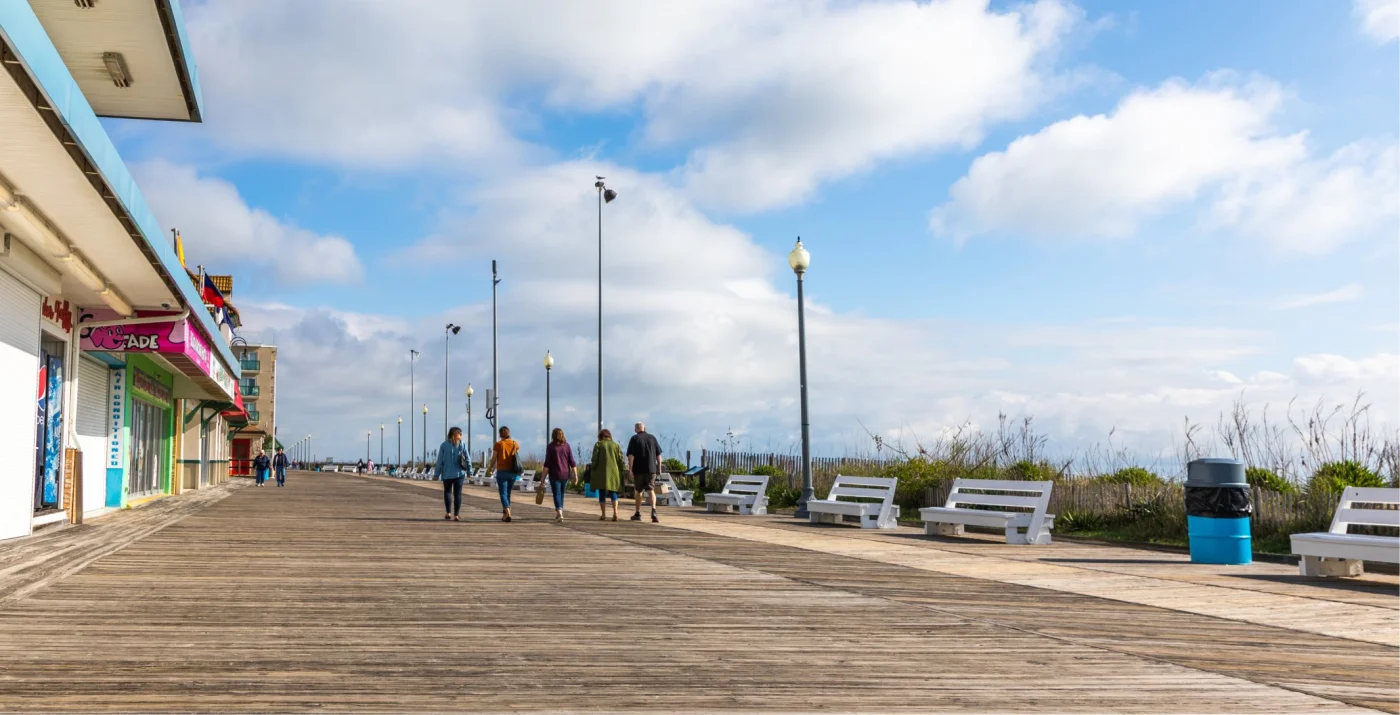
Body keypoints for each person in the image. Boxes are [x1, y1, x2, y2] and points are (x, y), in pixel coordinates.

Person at [626, 422, 663, 522]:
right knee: (651, 490)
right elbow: (658, 456)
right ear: (645, 428)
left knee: (638, 491)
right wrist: (659, 468)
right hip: (651, 469)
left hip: (638, 469)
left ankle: (638, 513)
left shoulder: (634, 439)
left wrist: (630, 469)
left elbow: (631, 456)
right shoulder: (652, 438)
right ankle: (654, 511)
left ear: (635, 430)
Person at [588, 429, 627, 521]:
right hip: (613, 472)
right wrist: (621, 469)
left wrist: (592, 467)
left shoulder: (598, 444)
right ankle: (616, 512)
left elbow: (594, 459)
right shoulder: (615, 445)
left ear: (601, 436)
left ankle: (603, 514)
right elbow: (620, 459)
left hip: (600, 472)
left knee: (602, 492)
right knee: (613, 492)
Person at [485, 426, 522, 522]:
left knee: (503, 493)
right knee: (508, 493)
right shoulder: (515, 443)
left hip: (502, 471)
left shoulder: (498, 444)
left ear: (500, 434)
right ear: (509, 433)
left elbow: (494, 458)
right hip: (512, 472)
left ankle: (508, 511)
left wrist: (490, 468)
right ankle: (505, 515)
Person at [434, 427, 470, 521]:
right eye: (460, 433)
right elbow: (468, 459)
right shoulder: (462, 445)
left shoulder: (444, 445)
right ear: (455, 434)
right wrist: (469, 472)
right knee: (458, 494)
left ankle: (448, 512)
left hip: (446, 474)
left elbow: (439, 461)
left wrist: (436, 474)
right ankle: (456, 515)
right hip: (459, 474)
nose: (461, 435)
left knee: (447, 492)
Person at [543, 428, 578, 522]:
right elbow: (572, 462)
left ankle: (559, 512)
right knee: (561, 494)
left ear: (553, 436)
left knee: (557, 494)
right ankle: (560, 511)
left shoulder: (550, 447)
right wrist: (575, 475)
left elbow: (547, 464)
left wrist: (542, 479)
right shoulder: (567, 446)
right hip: (565, 474)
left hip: (554, 474)